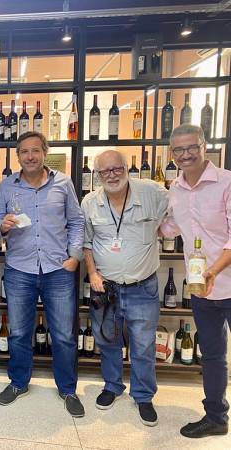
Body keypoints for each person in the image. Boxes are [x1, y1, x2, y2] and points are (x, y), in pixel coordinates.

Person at [0, 131, 85, 417]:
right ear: (18, 156)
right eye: (24, 152)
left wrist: (74, 257)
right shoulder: (7, 186)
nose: (30, 156)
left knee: (63, 335)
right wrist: (2, 227)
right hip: (19, 269)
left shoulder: (63, 183)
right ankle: (18, 383)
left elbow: (77, 221)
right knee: (19, 333)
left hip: (58, 269)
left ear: (44, 152)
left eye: (35, 150)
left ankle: (67, 389)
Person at [81, 150, 167, 427]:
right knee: (108, 340)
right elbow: (86, 243)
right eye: (105, 171)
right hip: (105, 288)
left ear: (127, 168)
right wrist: (92, 273)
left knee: (143, 345)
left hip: (143, 287)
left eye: (117, 169)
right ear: (97, 175)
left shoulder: (152, 192)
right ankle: (112, 386)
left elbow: (180, 212)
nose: (112, 175)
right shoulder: (90, 202)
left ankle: (143, 396)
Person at [160, 124, 231, 438]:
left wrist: (214, 270)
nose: (185, 154)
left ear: (205, 146)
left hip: (223, 280)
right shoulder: (175, 189)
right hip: (201, 287)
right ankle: (216, 417)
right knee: (212, 356)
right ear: (172, 153)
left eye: (192, 147)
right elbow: (171, 228)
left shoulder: (227, 182)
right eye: (178, 149)